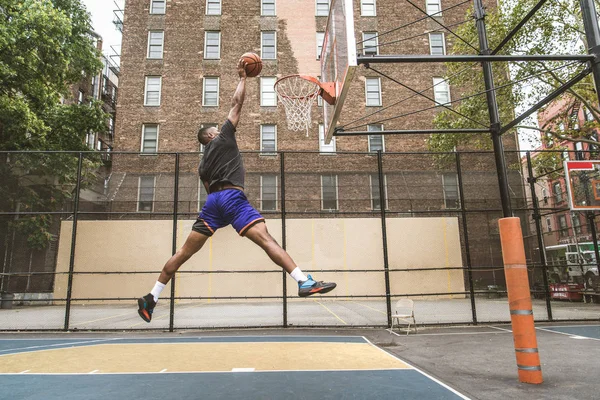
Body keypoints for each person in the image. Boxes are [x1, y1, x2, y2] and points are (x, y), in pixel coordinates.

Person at [137, 58, 336, 322]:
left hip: (212, 204)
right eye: (215, 130)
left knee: (183, 253)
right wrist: (244, 77)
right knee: (266, 239)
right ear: (210, 136)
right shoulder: (223, 137)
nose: (220, 129)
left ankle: (151, 297)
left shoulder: (202, 165)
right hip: (231, 198)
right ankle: (303, 281)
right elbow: (236, 104)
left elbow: (208, 189)